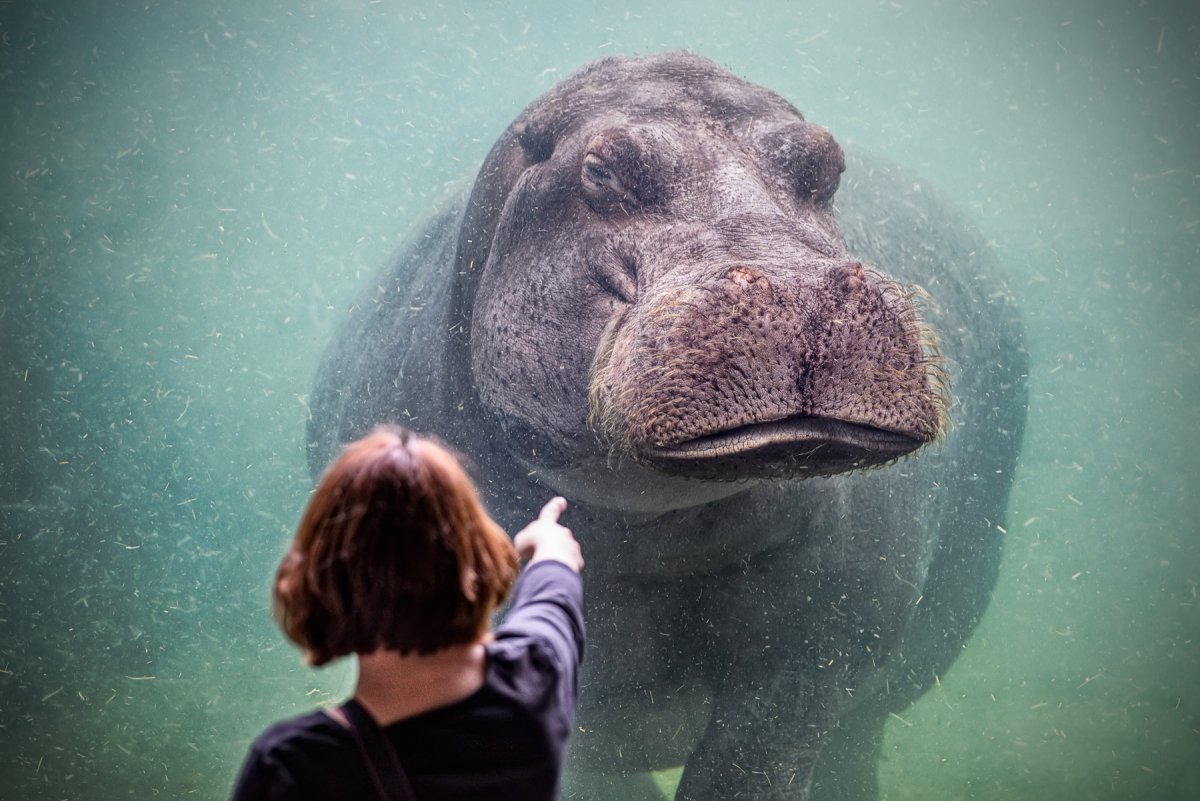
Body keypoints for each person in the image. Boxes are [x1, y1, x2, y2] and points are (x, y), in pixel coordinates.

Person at [230, 425, 584, 801]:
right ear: (482, 561)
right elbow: (553, 590)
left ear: (321, 583)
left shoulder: (292, 766)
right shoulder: (539, 676)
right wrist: (547, 541)